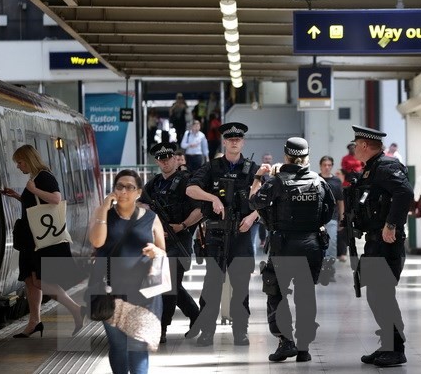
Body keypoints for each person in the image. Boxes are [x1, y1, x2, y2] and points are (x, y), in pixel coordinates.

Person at [249, 137, 335, 363]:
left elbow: (254, 202)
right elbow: (329, 211)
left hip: (283, 246)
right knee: (306, 295)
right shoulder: (318, 181)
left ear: (286, 156)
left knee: (275, 291)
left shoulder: (276, 182)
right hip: (312, 246)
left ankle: (285, 341)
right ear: (307, 157)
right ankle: (304, 347)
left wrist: (259, 177)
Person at [186, 122, 259, 347]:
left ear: (243, 142)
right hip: (216, 234)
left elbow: (266, 200)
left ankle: (241, 332)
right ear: (224, 142)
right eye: (230, 139)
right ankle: (207, 332)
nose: (235, 142)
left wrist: (252, 217)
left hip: (241, 234)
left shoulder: (253, 168)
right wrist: (213, 198)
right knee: (212, 286)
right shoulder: (212, 167)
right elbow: (190, 189)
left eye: (238, 139)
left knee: (241, 287)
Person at [0, 144, 83, 338]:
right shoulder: (35, 179)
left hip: (39, 239)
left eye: (20, 162)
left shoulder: (44, 176)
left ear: (29, 159)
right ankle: (34, 321)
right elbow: (37, 206)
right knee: (29, 280)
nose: (18, 167)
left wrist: (34, 190)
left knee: (39, 281)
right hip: (31, 239)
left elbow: (55, 199)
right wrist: (19, 196)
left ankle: (75, 309)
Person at [88, 169, 167, 374]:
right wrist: (104, 209)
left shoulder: (151, 218)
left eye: (130, 187)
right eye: (120, 186)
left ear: (139, 192)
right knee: (119, 346)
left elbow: (163, 251)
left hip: (143, 292)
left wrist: (155, 251)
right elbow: (97, 242)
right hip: (109, 290)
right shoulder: (102, 213)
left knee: (138, 345)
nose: (124, 191)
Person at [346, 126, 413, 367]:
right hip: (375, 242)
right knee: (376, 296)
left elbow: (405, 193)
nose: (354, 148)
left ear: (364, 145)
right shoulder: (372, 169)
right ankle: (387, 344)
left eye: (356, 144)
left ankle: (396, 348)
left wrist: (391, 224)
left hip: (387, 242)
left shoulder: (386, 166)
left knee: (382, 295)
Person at [139, 143, 202, 344]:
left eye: (168, 158)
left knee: (169, 286)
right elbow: (140, 203)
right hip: (158, 242)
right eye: (161, 159)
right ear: (157, 161)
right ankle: (196, 315)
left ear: (176, 159)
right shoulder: (154, 184)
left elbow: (200, 210)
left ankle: (162, 327)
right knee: (169, 284)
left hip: (179, 239)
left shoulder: (187, 182)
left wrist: (182, 225)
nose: (165, 162)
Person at [318, 156, 344, 277]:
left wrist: (342, 217)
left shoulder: (336, 181)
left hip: (332, 217)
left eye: (329, 165)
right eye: (325, 165)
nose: (327, 167)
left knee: (332, 243)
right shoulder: (315, 179)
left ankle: (329, 270)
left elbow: (340, 200)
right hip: (317, 218)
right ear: (321, 166)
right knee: (317, 244)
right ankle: (319, 270)